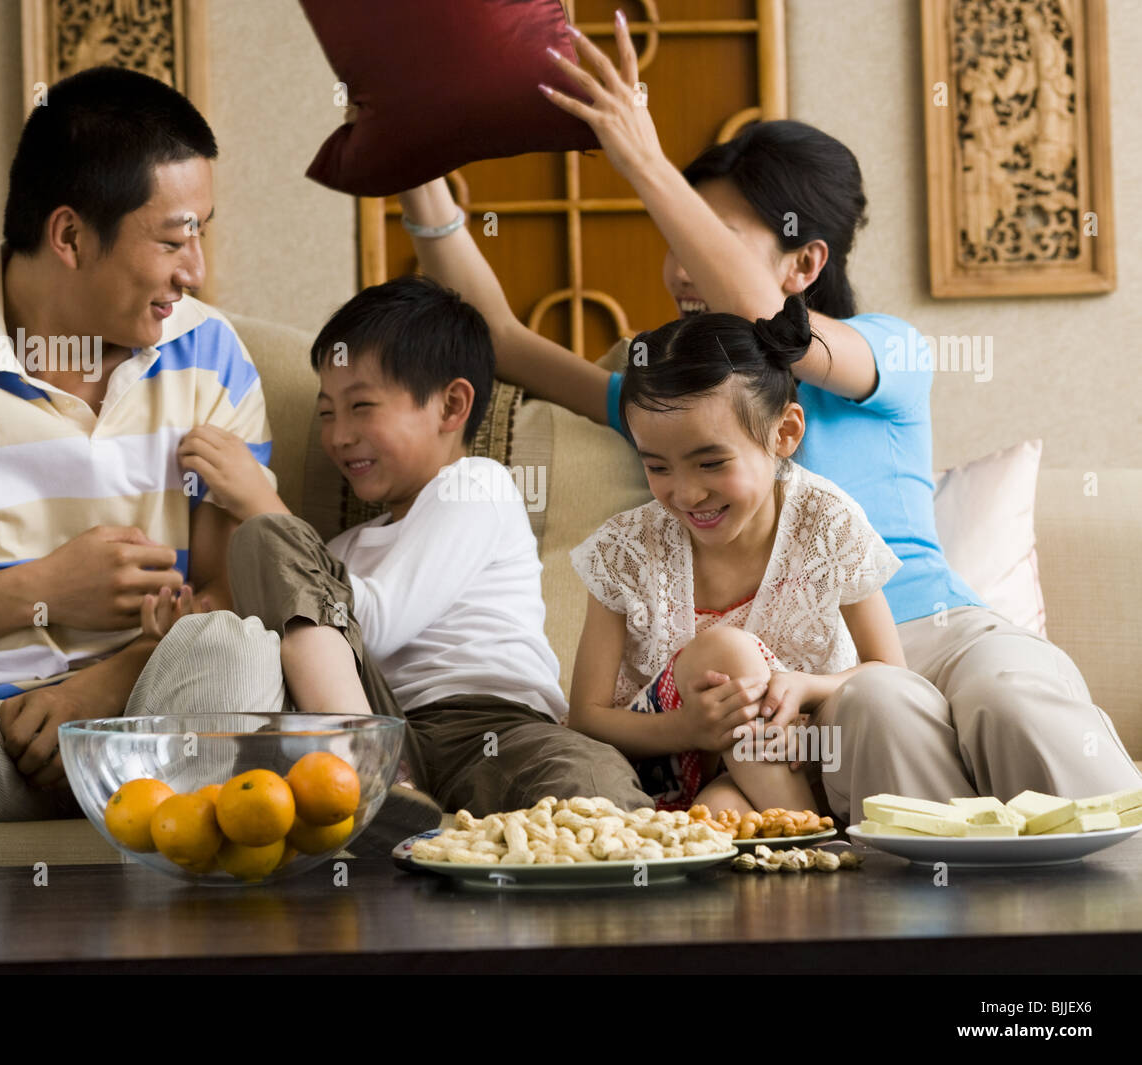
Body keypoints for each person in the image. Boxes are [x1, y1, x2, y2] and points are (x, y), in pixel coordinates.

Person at [396, 11, 1142, 819]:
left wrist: (644, 163)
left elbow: (778, 326)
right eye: (671, 231)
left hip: (935, 628)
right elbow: (503, 338)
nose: (678, 263)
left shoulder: (884, 353)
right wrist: (415, 164)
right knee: (876, 713)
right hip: (796, 690)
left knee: (1011, 696)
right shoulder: (683, 410)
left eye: (708, 233)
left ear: (805, 260)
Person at [0, 66, 288, 906]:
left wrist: (106, 684)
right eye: (172, 238)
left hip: (144, 717)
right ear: (71, 236)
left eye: (203, 232)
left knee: (235, 646)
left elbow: (232, 591)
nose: (195, 267)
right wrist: (39, 591)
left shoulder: (210, 354)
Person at [174, 275, 652, 815]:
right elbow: (310, 640)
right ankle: (370, 773)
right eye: (327, 412)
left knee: (589, 783)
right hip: (388, 724)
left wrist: (262, 500)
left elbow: (376, 622)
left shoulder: (475, 485)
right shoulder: (340, 550)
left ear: (451, 406)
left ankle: (373, 781)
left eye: (362, 407)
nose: (338, 435)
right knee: (264, 540)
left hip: (498, 728)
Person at [569, 296, 905, 814]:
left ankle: (786, 834)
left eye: (710, 463)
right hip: (663, 763)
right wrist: (684, 726)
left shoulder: (826, 523)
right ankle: (808, 835)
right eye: (657, 468)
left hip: (784, 762)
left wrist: (809, 688)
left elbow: (889, 671)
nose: (686, 494)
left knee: (725, 819)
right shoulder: (628, 550)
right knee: (724, 653)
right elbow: (586, 716)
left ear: (785, 433)